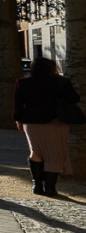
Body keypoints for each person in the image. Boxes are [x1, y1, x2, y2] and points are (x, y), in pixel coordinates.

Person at [14, 56, 79, 196]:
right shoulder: (62, 82)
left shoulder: (23, 82)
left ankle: (37, 185)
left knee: (36, 152)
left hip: (32, 122)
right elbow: (74, 99)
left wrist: (18, 120)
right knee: (54, 154)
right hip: (56, 122)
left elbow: (18, 105)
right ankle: (50, 187)